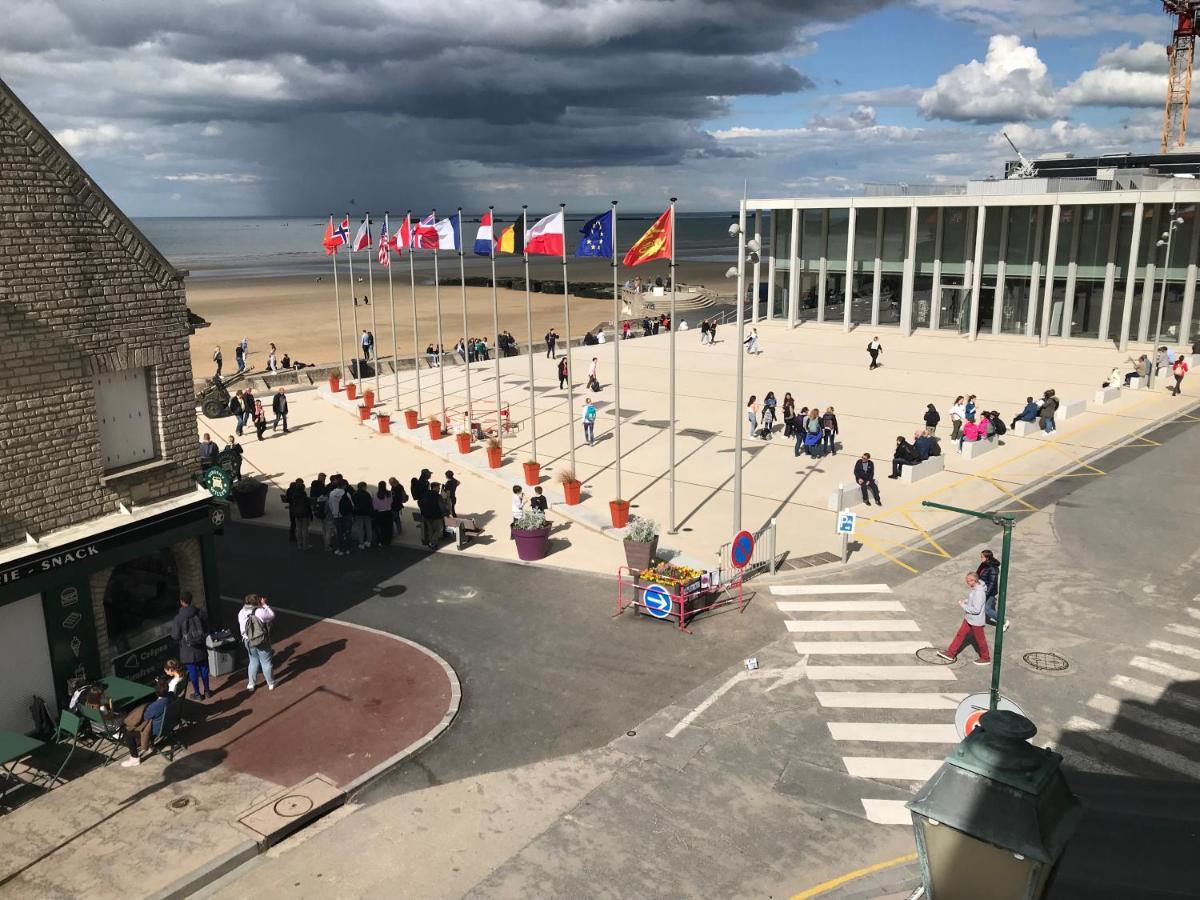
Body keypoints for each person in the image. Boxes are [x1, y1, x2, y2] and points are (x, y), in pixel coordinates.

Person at [936, 573, 991, 665]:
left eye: (969, 580)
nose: (967, 582)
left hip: (976, 621)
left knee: (980, 640)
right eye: (967, 580)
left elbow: (976, 610)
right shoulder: (975, 588)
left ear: (974, 581)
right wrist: (966, 601)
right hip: (969, 618)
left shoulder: (979, 592)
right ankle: (950, 653)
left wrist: (963, 605)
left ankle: (986, 658)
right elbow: (973, 601)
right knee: (960, 634)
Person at [119, 679, 173, 767]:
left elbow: (145, 717)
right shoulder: (171, 696)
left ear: (156, 692)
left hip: (157, 730)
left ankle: (135, 758)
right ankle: (148, 745)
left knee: (128, 735)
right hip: (169, 724)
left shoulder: (155, 706)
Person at [170, 592, 210, 700]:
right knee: (204, 669)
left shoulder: (178, 618)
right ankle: (207, 691)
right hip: (200, 647)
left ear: (181, 602)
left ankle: (197, 693)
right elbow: (206, 628)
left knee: (193, 672)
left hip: (187, 650)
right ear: (191, 600)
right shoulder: (200, 612)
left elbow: (175, 636)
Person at [239, 594, 277, 690]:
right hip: (261, 640)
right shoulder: (259, 611)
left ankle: (251, 684)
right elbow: (272, 615)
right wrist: (264, 605)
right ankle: (271, 683)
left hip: (248, 640)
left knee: (253, 661)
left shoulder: (241, 612)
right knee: (266, 662)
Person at [976, 549, 1009, 630]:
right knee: (981, 605)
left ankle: (1004, 622)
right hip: (982, 589)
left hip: (989, 592)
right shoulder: (984, 564)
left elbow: (992, 583)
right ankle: (982, 619)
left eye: (982, 557)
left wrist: (986, 593)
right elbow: (978, 573)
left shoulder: (993, 569)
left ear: (987, 558)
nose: (981, 558)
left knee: (986, 609)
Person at [329, 476, 352, 556]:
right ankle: (348, 549)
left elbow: (330, 505)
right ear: (344, 485)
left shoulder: (331, 494)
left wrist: (334, 512)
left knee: (339, 533)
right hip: (346, 516)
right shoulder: (347, 494)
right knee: (347, 533)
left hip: (336, 515)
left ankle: (340, 549)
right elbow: (351, 505)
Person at [418, 481, 446, 549]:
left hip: (426, 515)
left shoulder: (425, 494)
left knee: (430, 530)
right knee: (438, 530)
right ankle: (433, 542)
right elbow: (442, 507)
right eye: (438, 488)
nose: (439, 489)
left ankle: (432, 543)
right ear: (434, 487)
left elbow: (420, 502)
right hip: (436, 516)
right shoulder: (438, 496)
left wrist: (423, 510)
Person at [290, 479, 313, 550]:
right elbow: (309, 507)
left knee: (298, 530)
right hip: (305, 515)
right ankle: (305, 546)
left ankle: (299, 545)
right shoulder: (305, 498)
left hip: (297, 514)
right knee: (305, 530)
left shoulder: (294, 496)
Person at [352, 481, 374, 549]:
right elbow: (371, 504)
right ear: (364, 487)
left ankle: (361, 543)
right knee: (368, 527)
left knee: (360, 528)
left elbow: (353, 504)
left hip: (358, 513)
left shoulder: (355, 494)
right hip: (367, 513)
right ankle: (368, 541)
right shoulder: (367, 494)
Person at [372, 481, 393, 546]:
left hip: (380, 513)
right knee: (389, 527)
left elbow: (375, 506)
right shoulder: (389, 493)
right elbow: (391, 502)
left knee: (381, 528)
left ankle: (381, 541)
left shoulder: (377, 494)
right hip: (389, 512)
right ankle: (388, 541)